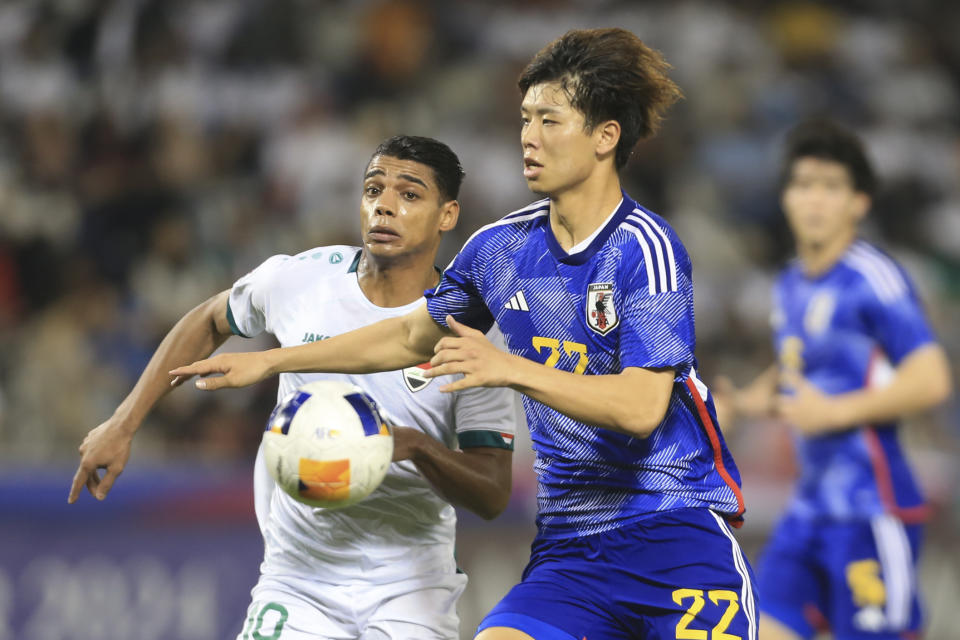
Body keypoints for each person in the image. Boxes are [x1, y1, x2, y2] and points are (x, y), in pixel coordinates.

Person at [170, 28, 758, 640]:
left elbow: (641, 408)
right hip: (570, 550)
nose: (528, 137)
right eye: (525, 118)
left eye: (550, 121)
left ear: (606, 136)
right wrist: (270, 362)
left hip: (673, 532)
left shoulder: (646, 249)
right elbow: (406, 339)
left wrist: (509, 368)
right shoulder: (499, 249)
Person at [69, 135, 523, 640]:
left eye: (410, 195)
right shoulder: (306, 278)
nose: (385, 206)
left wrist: (412, 446)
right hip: (298, 581)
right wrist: (123, 422)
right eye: (373, 189)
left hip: (409, 589)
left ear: (448, 215)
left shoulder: (473, 333)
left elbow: (492, 493)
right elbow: (208, 319)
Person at [715, 120, 952, 640]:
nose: (814, 200)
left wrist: (834, 413)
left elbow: (931, 378)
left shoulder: (873, 279)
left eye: (830, 187)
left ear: (859, 203)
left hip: (872, 509)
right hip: (810, 509)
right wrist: (743, 403)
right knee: (751, 630)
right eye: (803, 185)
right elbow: (797, 366)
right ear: (785, 197)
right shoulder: (790, 284)